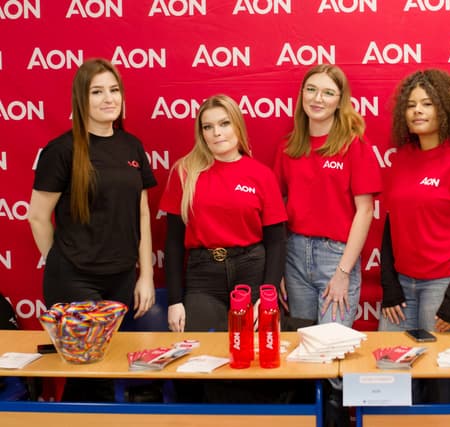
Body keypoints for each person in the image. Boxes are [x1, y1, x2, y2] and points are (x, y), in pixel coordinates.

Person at [27, 58, 157, 401]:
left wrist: (145, 275)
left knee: (103, 369)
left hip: (121, 277)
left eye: (114, 90)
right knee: (91, 376)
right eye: (97, 92)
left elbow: (142, 212)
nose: (108, 98)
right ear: (80, 99)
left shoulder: (132, 146)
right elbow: (37, 216)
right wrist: (62, 261)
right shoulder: (62, 150)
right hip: (74, 278)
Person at [378, 69, 450, 403]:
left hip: (445, 285)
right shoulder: (402, 158)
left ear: (445, 108)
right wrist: (389, 284)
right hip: (403, 288)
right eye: (411, 104)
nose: (417, 110)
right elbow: (391, 223)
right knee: (390, 381)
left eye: (427, 103)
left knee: (446, 386)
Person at [160, 94, 287, 334]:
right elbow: (173, 243)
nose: (217, 133)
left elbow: (276, 242)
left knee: (254, 351)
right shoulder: (184, 172)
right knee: (200, 351)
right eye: (208, 127)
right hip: (203, 276)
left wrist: (267, 296)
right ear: (201, 133)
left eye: (224, 123)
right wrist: (174, 301)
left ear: (237, 125)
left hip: (252, 271)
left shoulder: (262, 175)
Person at [273, 64, 382, 328]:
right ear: (302, 95)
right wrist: (277, 269)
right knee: (303, 340)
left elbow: (365, 211)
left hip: (336, 257)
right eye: (311, 89)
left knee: (332, 343)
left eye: (328, 92)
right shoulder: (288, 147)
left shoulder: (354, 145)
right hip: (294, 255)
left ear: (340, 101)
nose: (317, 98)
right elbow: (276, 210)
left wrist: (343, 272)